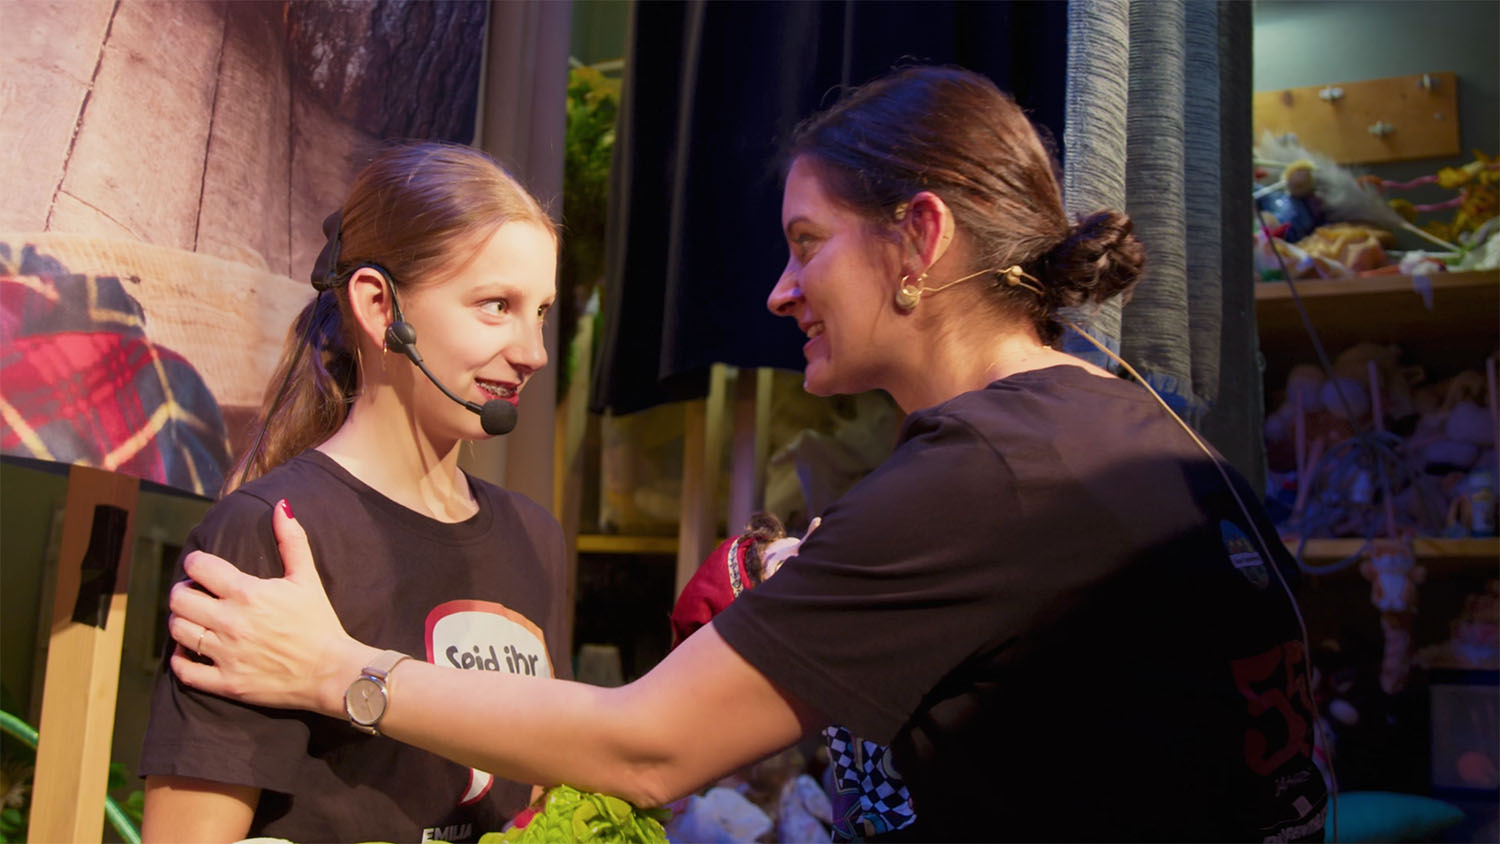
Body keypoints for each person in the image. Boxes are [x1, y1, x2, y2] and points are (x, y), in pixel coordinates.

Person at [164, 67, 1327, 841]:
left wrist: (337, 669)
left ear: (919, 238)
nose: (780, 290)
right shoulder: (1138, 424)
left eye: (807, 243)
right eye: (492, 306)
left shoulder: (986, 477)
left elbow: (647, 749)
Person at [138, 142, 570, 844]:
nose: (534, 352)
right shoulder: (275, 530)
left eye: (541, 312)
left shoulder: (534, 537)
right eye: (497, 306)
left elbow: (546, 793)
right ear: (378, 305)